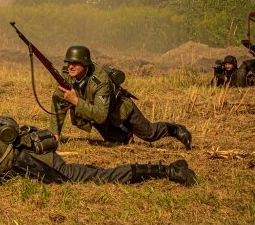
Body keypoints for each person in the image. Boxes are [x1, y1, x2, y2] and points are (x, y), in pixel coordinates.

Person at [0, 107, 197, 186]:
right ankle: (167, 171)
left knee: (102, 177)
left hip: (40, 165)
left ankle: (169, 171)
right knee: (99, 175)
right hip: (31, 163)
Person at [50, 45, 192, 149]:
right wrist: (55, 134)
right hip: (99, 113)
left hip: (120, 109)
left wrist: (75, 101)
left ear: (85, 64)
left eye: (75, 63)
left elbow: (100, 114)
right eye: (69, 62)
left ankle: (175, 129)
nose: (71, 67)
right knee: (119, 142)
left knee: (149, 134)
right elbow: (58, 102)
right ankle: (124, 136)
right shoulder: (67, 76)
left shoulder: (100, 81)